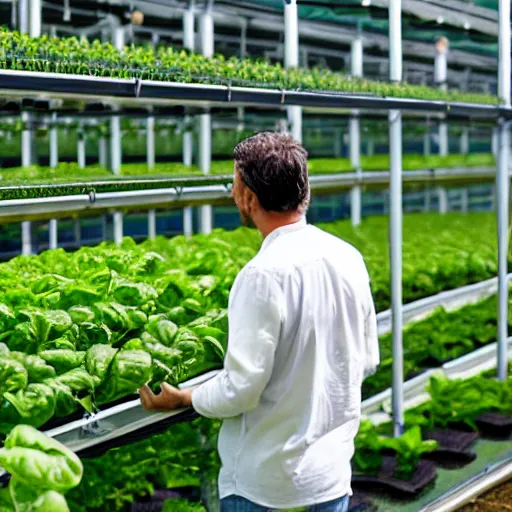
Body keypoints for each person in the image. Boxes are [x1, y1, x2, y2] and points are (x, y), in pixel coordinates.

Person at [139, 131, 380, 512]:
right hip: (330, 476)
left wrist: (186, 397)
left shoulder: (263, 275)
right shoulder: (348, 257)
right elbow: (367, 361)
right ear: (305, 193)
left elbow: (241, 390)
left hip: (266, 486)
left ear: (249, 199)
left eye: (234, 187)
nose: (233, 195)